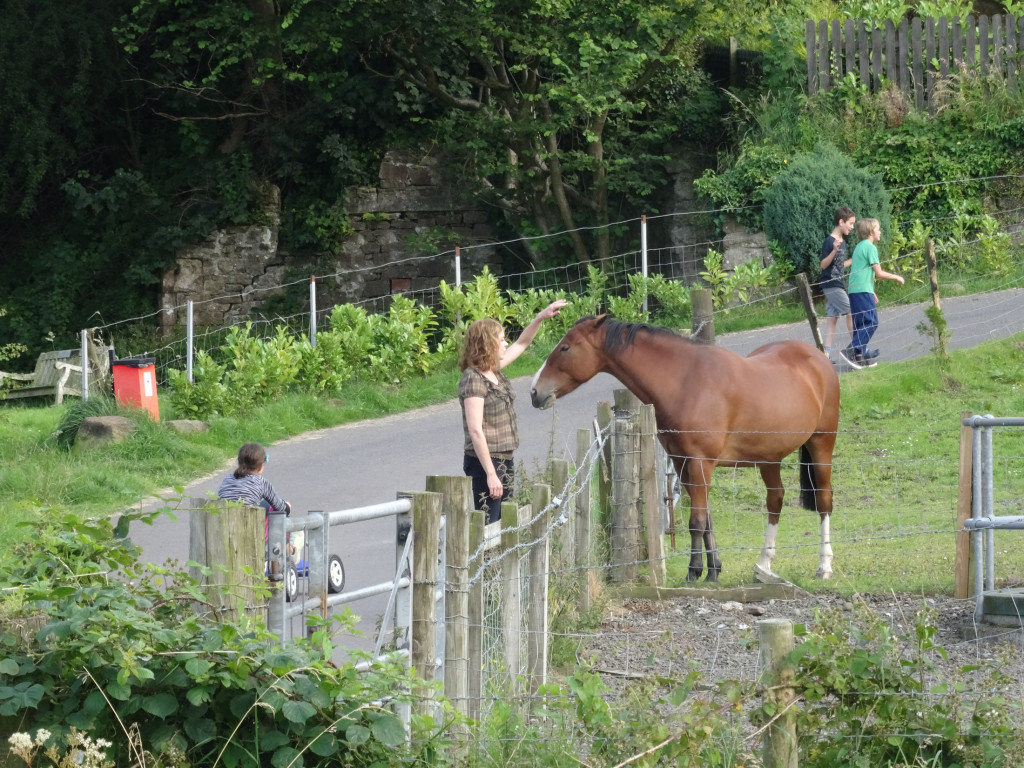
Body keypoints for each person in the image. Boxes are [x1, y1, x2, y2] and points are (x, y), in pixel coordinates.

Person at [459, 300, 568, 524]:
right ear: (487, 344)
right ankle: (487, 560)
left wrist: (540, 317)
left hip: (504, 458)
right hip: (485, 462)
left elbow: (522, 343)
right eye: (501, 340)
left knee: (503, 524)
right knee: (489, 524)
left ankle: (497, 560)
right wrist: (491, 473)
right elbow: (475, 430)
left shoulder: (493, 371)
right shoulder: (473, 378)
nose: (505, 344)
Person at [840, 217, 904, 369]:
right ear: (870, 232)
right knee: (872, 322)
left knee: (861, 324)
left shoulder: (859, 247)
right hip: (862, 291)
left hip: (855, 291)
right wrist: (896, 276)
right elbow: (879, 272)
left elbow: (859, 272)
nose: (880, 232)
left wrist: (871, 291)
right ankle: (851, 349)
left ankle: (859, 359)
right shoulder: (870, 248)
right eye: (878, 229)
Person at [819, 206, 856, 361]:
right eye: (851, 224)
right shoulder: (830, 242)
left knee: (832, 320)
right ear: (841, 222)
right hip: (831, 285)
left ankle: (824, 355)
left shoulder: (843, 242)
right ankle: (857, 347)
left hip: (838, 284)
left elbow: (839, 266)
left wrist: (856, 260)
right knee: (850, 312)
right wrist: (833, 250)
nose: (852, 227)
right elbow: (823, 265)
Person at [218, 442, 292, 516]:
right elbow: (281, 508)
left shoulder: (227, 479)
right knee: (268, 504)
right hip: (249, 523)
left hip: (225, 520)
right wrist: (287, 506)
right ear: (261, 465)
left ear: (239, 463)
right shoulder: (261, 482)